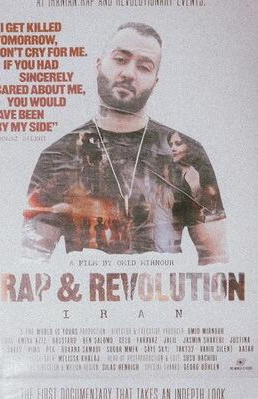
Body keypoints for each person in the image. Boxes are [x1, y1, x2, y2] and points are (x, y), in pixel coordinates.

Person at [23, 22, 227, 264]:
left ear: (155, 81)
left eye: (144, 67)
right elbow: (32, 260)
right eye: (120, 59)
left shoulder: (184, 153)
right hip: (85, 300)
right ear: (99, 64)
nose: (129, 73)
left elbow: (215, 260)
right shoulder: (58, 155)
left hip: (165, 300)